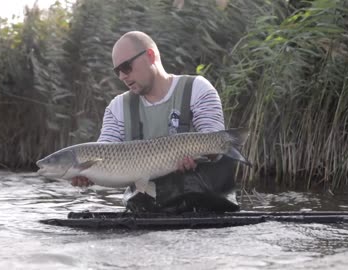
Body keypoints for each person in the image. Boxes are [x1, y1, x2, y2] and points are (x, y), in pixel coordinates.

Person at [71, 31, 240, 213]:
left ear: (150, 55)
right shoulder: (117, 107)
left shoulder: (197, 89)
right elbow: (103, 154)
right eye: (117, 71)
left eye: (126, 67)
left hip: (204, 206)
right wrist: (88, 174)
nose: (122, 76)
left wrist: (198, 159)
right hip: (147, 209)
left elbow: (217, 147)